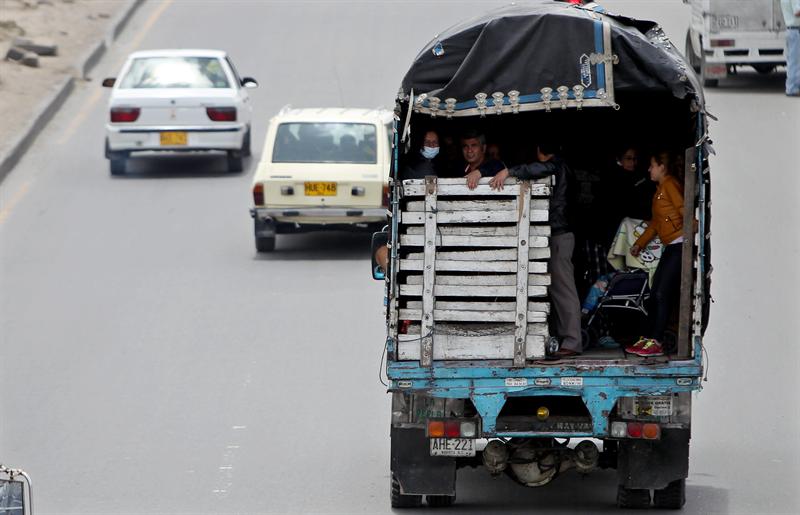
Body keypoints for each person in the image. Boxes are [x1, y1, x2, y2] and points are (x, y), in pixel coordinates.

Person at [489, 141, 583, 357]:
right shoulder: (564, 166)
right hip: (560, 234)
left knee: (563, 289)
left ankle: (572, 341)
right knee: (556, 289)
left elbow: (541, 168)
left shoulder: (557, 165)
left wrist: (509, 171)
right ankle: (565, 339)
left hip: (559, 235)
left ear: (540, 151)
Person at [625, 152, 685, 357]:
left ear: (662, 167)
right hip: (671, 246)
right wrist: (639, 244)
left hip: (680, 244)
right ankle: (649, 338)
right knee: (654, 293)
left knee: (661, 293)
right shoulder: (660, 190)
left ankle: (657, 341)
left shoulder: (670, 185)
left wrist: (692, 233)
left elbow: (684, 209)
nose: (649, 169)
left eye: (652, 165)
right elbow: (656, 224)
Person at [782, 0, 800, 97]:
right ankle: (792, 88)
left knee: (792, 61)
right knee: (795, 62)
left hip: (791, 30)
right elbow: (797, 12)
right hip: (795, 30)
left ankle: (793, 86)